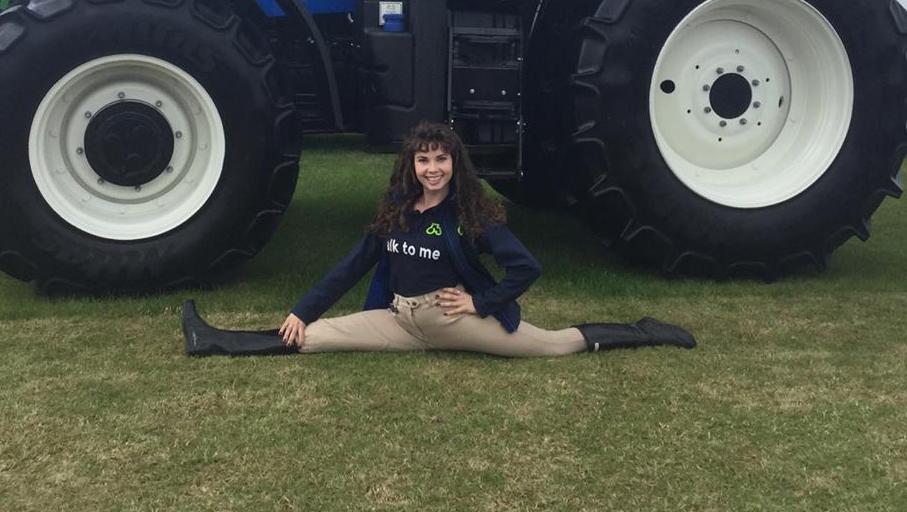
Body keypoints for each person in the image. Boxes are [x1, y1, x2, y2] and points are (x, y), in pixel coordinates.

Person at [181, 121, 695, 358]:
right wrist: (301, 309)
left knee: (555, 346)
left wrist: (479, 302)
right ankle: (213, 341)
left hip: (452, 322)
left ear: (455, 164)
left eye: (441, 159)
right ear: (412, 165)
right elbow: (351, 266)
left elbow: (526, 269)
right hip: (398, 320)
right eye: (423, 159)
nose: (432, 168)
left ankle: (644, 331)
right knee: (309, 338)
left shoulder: (474, 214)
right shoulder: (398, 211)